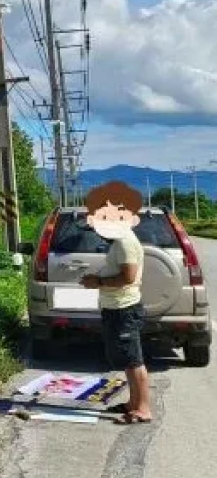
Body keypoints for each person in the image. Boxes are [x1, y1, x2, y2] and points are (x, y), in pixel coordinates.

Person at [79, 181, 150, 424]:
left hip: (124, 309)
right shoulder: (119, 241)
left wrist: (97, 281)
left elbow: (127, 277)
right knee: (127, 361)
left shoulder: (124, 242)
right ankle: (133, 403)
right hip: (117, 308)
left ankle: (143, 409)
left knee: (134, 360)